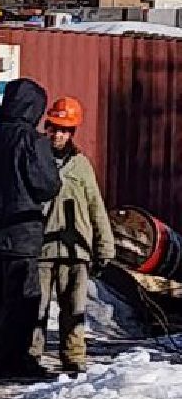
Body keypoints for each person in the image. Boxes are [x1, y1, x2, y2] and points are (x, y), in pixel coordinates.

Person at [0, 79, 63, 378]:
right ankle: (13, 362)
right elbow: (47, 186)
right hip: (19, 235)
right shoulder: (32, 141)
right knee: (20, 301)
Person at [38, 96, 115, 374]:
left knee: (73, 308)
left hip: (75, 250)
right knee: (37, 308)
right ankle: (32, 355)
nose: (57, 134)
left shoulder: (81, 166)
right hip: (43, 250)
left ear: (72, 133)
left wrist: (105, 246)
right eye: (53, 128)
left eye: (64, 130)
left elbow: (96, 205)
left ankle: (73, 358)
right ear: (46, 127)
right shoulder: (38, 160)